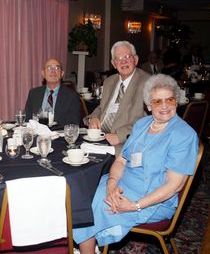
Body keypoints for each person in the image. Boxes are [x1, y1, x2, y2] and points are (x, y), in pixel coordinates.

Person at [74, 74, 199, 253]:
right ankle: (89, 246)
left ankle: (88, 245)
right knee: (83, 195)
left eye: (169, 100)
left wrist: (135, 206)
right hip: (123, 183)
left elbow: (174, 186)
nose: (164, 106)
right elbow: (121, 160)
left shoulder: (184, 135)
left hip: (152, 198)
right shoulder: (142, 124)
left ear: (176, 101)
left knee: (99, 207)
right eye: (157, 101)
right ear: (148, 106)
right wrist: (112, 183)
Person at [85, 41, 150, 154]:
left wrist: (120, 136)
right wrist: (94, 118)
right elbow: (102, 108)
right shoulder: (109, 81)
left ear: (136, 59)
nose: (123, 61)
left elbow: (150, 120)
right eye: (118, 58)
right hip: (99, 137)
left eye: (127, 56)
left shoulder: (148, 82)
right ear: (113, 64)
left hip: (125, 143)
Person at [24, 58, 80, 128]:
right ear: (43, 74)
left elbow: (73, 124)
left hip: (59, 136)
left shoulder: (72, 96)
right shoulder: (34, 93)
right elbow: (27, 119)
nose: (53, 71)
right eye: (49, 68)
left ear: (62, 73)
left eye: (57, 68)